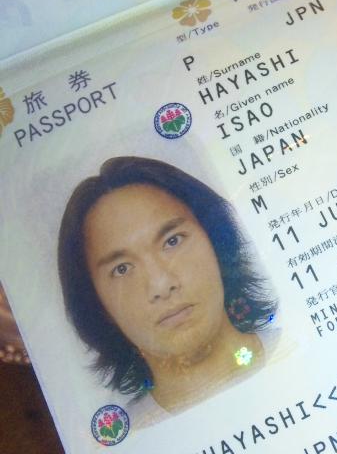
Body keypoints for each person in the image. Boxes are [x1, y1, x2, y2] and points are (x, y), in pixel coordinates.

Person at [58, 156, 278, 425]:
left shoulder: (299, 345)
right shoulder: (129, 437)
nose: (161, 285)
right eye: (122, 269)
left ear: (217, 242)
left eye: (172, 241)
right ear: (97, 305)